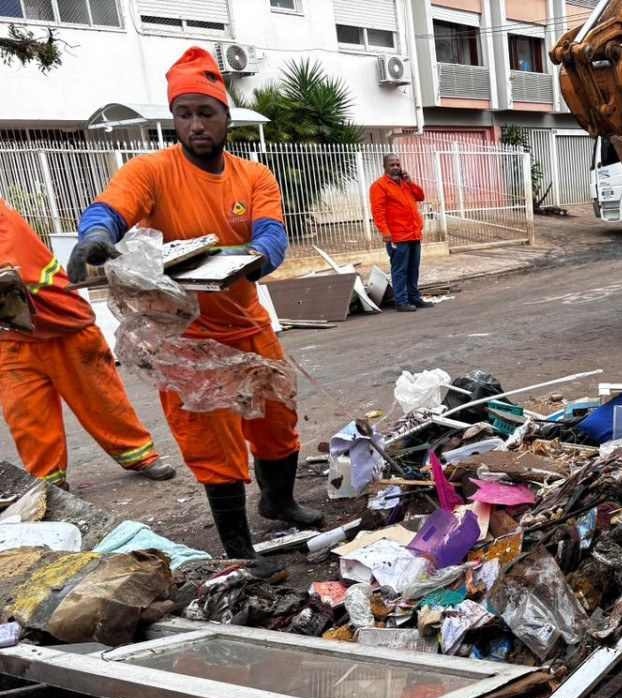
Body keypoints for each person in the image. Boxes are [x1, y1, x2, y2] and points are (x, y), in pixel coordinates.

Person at [67, 46, 322, 570]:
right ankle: (238, 547)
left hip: (246, 324)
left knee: (276, 420)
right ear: (174, 119)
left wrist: (258, 259)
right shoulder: (151, 172)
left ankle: (278, 500)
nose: (196, 125)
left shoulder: (253, 177)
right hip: (181, 337)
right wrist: (95, 237)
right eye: (184, 114)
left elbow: (271, 233)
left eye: (206, 112)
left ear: (226, 116)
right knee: (212, 438)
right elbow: (110, 210)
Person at [0, 200, 175, 490]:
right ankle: (49, 482)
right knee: (27, 418)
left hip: (64, 325)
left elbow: (9, 274)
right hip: (13, 338)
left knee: (103, 402)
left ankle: (139, 455)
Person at [370, 155, 429, 312]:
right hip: (397, 236)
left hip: (413, 234)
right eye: (392, 164)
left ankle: (414, 298)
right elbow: (378, 211)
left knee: (413, 268)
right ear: (385, 167)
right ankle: (401, 301)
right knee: (400, 270)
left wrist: (410, 181)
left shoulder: (405, 183)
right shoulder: (379, 186)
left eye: (397, 164)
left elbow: (420, 196)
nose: (395, 167)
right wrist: (385, 231)